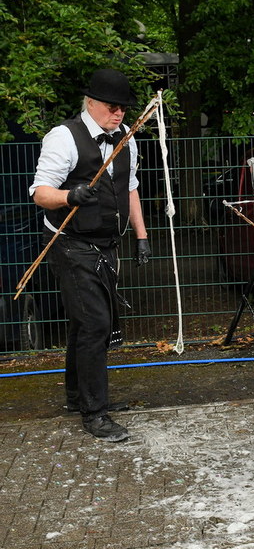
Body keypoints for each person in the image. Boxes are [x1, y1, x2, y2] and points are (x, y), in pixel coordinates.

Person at [30, 68, 151, 442]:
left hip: (106, 245)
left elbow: (129, 189)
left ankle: (76, 397)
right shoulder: (63, 137)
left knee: (84, 324)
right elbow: (40, 192)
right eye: (112, 107)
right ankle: (94, 413)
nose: (119, 113)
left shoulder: (125, 138)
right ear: (91, 103)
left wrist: (142, 236)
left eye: (123, 108)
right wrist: (69, 196)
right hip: (69, 243)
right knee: (96, 324)